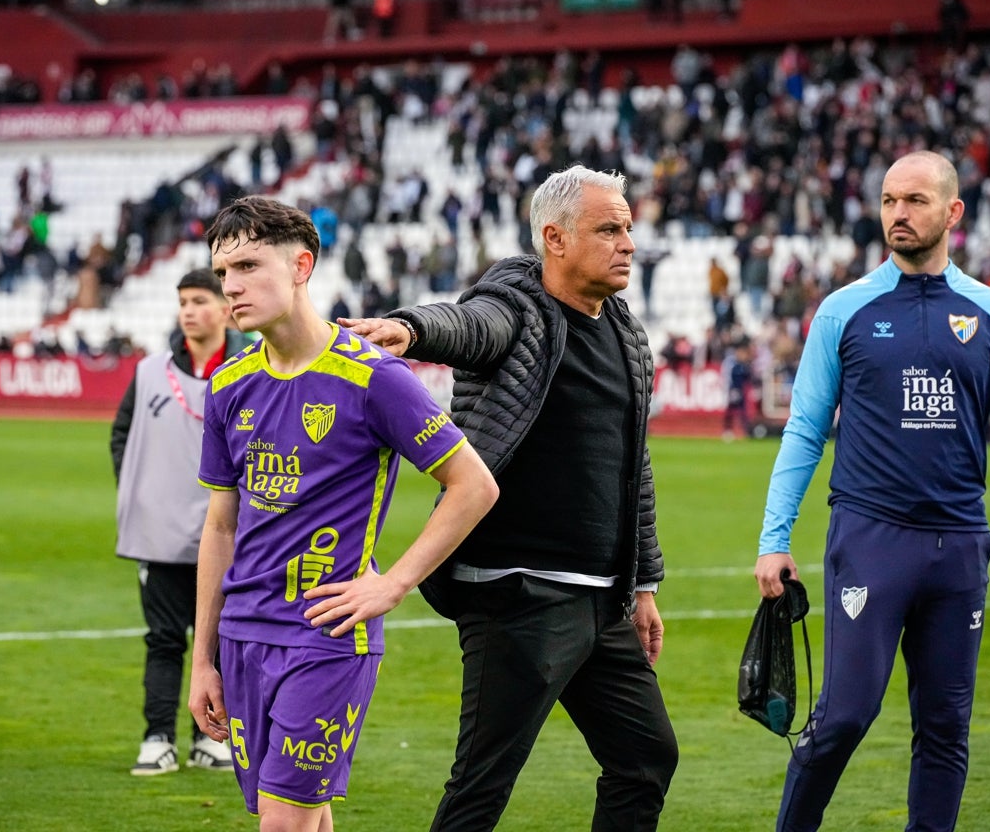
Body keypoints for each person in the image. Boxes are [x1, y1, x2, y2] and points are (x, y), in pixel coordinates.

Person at [339, 164, 679, 831]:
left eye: (629, 229)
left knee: (646, 758)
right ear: (555, 238)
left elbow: (631, 468)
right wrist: (410, 330)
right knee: (481, 788)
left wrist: (643, 587)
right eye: (609, 229)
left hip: (601, 600)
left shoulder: (626, 333)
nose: (628, 244)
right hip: (517, 595)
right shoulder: (516, 305)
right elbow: (471, 326)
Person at [187, 196, 497, 832]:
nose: (231, 287)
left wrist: (394, 581)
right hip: (244, 635)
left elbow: (473, 485)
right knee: (306, 816)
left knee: (284, 823)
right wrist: (202, 659)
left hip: (326, 634)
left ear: (302, 265)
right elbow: (220, 527)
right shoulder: (227, 386)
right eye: (222, 273)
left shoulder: (374, 378)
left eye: (247, 266)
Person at [754, 150, 990, 831]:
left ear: (953, 212)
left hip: (961, 548)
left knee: (944, 728)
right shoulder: (843, 311)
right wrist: (774, 539)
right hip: (870, 540)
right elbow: (804, 430)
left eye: (913, 200)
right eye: (887, 201)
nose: (898, 215)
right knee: (844, 715)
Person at [110, 268, 246, 777]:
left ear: (225, 309)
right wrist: (140, 493)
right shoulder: (150, 371)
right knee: (164, 639)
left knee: (222, 641)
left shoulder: (256, 368)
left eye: (199, 301)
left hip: (232, 535)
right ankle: (157, 738)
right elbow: (122, 434)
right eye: (182, 301)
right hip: (161, 536)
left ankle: (212, 738)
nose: (188, 311)